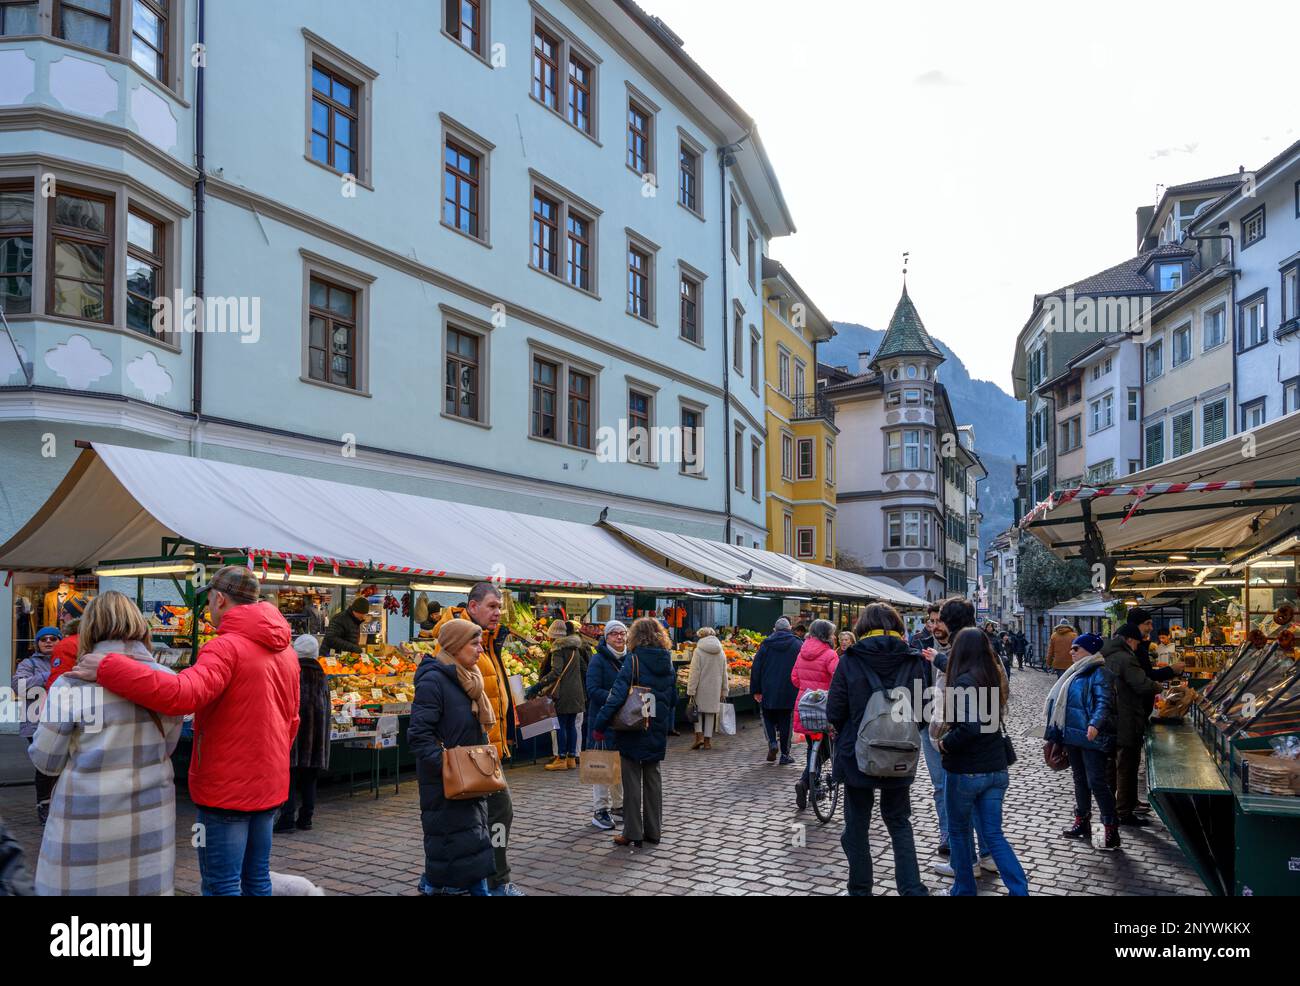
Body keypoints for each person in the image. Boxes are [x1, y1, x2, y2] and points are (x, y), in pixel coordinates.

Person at [66, 567, 299, 896]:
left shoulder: (225, 648)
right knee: (257, 879)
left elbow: (181, 695)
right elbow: (293, 719)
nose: (207, 609)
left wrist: (107, 667)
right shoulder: (286, 652)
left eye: (208, 601)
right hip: (269, 783)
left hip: (226, 788)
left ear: (219, 599)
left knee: (221, 885)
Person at [29, 591, 183, 895]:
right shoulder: (167, 679)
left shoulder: (72, 684)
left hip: (87, 821)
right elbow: (168, 747)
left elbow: (46, 761)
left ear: (90, 627)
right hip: (150, 817)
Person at [827, 603, 928, 896]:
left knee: (857, 825)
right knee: (899, 822)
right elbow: (922, 713)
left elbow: (835, 710)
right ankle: (911, 889)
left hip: (857, 754)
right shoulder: (915, 660)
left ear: (862, 628)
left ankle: (860, 889)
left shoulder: (850, 659)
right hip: (900, 752)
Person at [936, 627, 1029, 896]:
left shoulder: (964, 681)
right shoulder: (991, 677)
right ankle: (1019, 890)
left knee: (959, 832)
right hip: (995, 768)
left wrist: (945, 743)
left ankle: (963, 890)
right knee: (993, 835)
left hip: (967, 770)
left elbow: (970, 726)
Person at [409, 618, 496, 895]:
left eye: (480, 643)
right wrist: (450, 766)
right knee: (454, 844)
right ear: (456, 646)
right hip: (445, 781)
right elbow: (419, 736)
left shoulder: (468, 678)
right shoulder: (434, 680)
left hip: (470, 777)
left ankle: (436, 885)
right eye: (474, 643)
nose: (480, 649)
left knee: (469, 844)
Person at [591, 617, 676, 848]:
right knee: (652, 779)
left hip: (633, 727)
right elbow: (674, 697)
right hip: (656, 725)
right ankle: (654, 831)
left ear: (636, 636)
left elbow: (617, 696)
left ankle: (632, 832)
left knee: (631, 781)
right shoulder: (667, 661)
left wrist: (599, 724)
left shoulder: (634, 659)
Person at [462, 582, 523, 895]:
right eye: (491, 606)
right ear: (473, 607)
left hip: (490, 747)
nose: (497, 613)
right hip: (475, 750)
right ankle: (496, 881)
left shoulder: (488, 640)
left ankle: (472, 879)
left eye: (499, 607)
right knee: (500, 811)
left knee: (479, 818)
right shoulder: (461, 641)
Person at [1044, 633, 1119, 851]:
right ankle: (1082, 821)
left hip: (1090, 736)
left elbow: (1104, 702)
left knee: (1097, 781)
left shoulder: (1100, 673)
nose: (1071, 652)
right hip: (1072, 735)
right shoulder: (1075, 673)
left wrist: (1095, 724)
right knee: (1079, 779)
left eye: (1075, 648)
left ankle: (1110, 829)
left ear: (1088, 650)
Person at [1102, 622, 1161, 827]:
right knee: (1127, 767)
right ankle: (1124, 812)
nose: (1138, 646)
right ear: (1129, 640)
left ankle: (1108, 809)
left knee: (1110, 767)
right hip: (1126, 717)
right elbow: (1142, 684)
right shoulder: (1126, 658)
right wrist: (1158, 686)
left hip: (1109, 718)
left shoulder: (1105, 655)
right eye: (1137, 642)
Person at [275, 634, 330, 834]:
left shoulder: (291, 672)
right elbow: (327, 707)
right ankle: (307, 817)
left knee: (289, 775)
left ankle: (287, 817)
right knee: (310, 778)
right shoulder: (322, 675)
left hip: (294, 735)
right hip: (316, 736)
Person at [528, 620, 589, 771]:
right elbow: (583, 669)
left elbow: (555, 672)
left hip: (564, 693)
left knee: (561, 725)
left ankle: (561, 758)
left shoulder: (558, 649)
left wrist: (538, 686)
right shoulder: (575, 648)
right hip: (577, 693)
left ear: (552, 636)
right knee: (571, 725)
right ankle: (571, 758)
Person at [791, 619, 839, 811]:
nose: (834, 637)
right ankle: (807, 781)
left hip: (805, 709)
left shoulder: (802, 652)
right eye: (832, 633)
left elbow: (794, 678)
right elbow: (839, 679)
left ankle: (811, 781)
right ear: (826, 635)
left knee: (813, 747)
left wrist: (807, 690)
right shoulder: (830, 654)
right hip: (825, 708)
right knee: (828, 748)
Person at [12, 626, 58, 822]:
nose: (48, 642)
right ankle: (44, 805)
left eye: (53, 639)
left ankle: (57, 803)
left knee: (61, 764)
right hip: (36, 722)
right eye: (43, 639)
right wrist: (46, 677)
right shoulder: (28, 663)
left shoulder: (67, 660)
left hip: (61, 721)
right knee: (44, 765)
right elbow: (18, 686)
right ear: (37, 643)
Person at [586, 621, 628, 830]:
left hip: (622, 721)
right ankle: (600, 810)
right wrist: (615, 698)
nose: (619, 637)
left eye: (622, 633)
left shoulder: (629, 659)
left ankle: (619, 806)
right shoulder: (598, 659)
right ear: (606, 637)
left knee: (619, 764)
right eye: (614, 634)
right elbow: (592, 689)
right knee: (601, 764)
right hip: (601, 719)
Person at [750, 617, 802, 765]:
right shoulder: (798, 644)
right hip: (789, 689)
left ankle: (772, 743)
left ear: (775, 629)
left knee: (767, 716)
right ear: (790, 628)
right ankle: (785, 754)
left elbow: (756, 668)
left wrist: (756, 689)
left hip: (768, 688)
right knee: (786, 721)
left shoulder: (766, 644)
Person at [686, 627, 728, 751]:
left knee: (696, 711)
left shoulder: (698, 651)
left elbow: (694, 672)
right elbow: (724, 673)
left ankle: (699, 737)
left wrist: (691, 689)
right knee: (710, 713)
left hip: (701, 686)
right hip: (715, 687)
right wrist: (724, 689)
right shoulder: (721, 651)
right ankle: (708, 742)